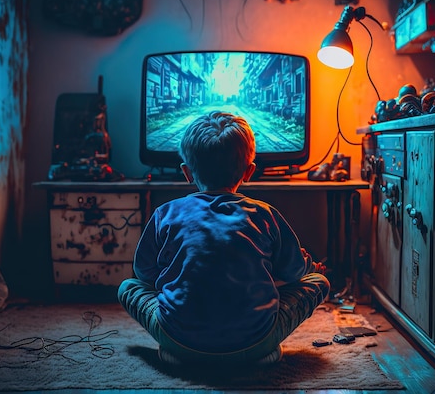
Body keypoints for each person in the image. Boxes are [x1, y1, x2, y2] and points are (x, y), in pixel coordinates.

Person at [117, 111, 330, 367]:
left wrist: (179, 282)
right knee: (318, 282)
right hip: (256, 343)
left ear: (186, 172)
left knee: (128, 287)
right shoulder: (265, 214)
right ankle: (261, 355)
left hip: (178, 340)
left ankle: (178, 355)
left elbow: (143, 272)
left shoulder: (165, 213)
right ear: (249, 171)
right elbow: (294, 271)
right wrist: (307, 267)